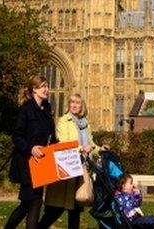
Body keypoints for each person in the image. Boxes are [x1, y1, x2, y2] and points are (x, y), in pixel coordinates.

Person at [38, 93, 100, 229]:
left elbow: (91, 143)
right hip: (66, 171)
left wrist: (99, 149)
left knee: (75, 212)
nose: (74, 105)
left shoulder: (85, 124)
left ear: (81, 106)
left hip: (80, 172)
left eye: (77, 103)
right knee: (54, 211)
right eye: (72, 102)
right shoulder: (63, 121)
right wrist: (82, 148)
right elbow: (63, 143)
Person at [5, 76, 55, 229]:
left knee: (29, 204)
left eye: (47, 86)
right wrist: (31, 149)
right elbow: (17, 136)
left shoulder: (46, 110)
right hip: (27, 165)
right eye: (43, 86)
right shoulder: (26, 110)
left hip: (41, 165)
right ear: (34, 89)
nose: (46, 89)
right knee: (33, 203)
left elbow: (52, 136)